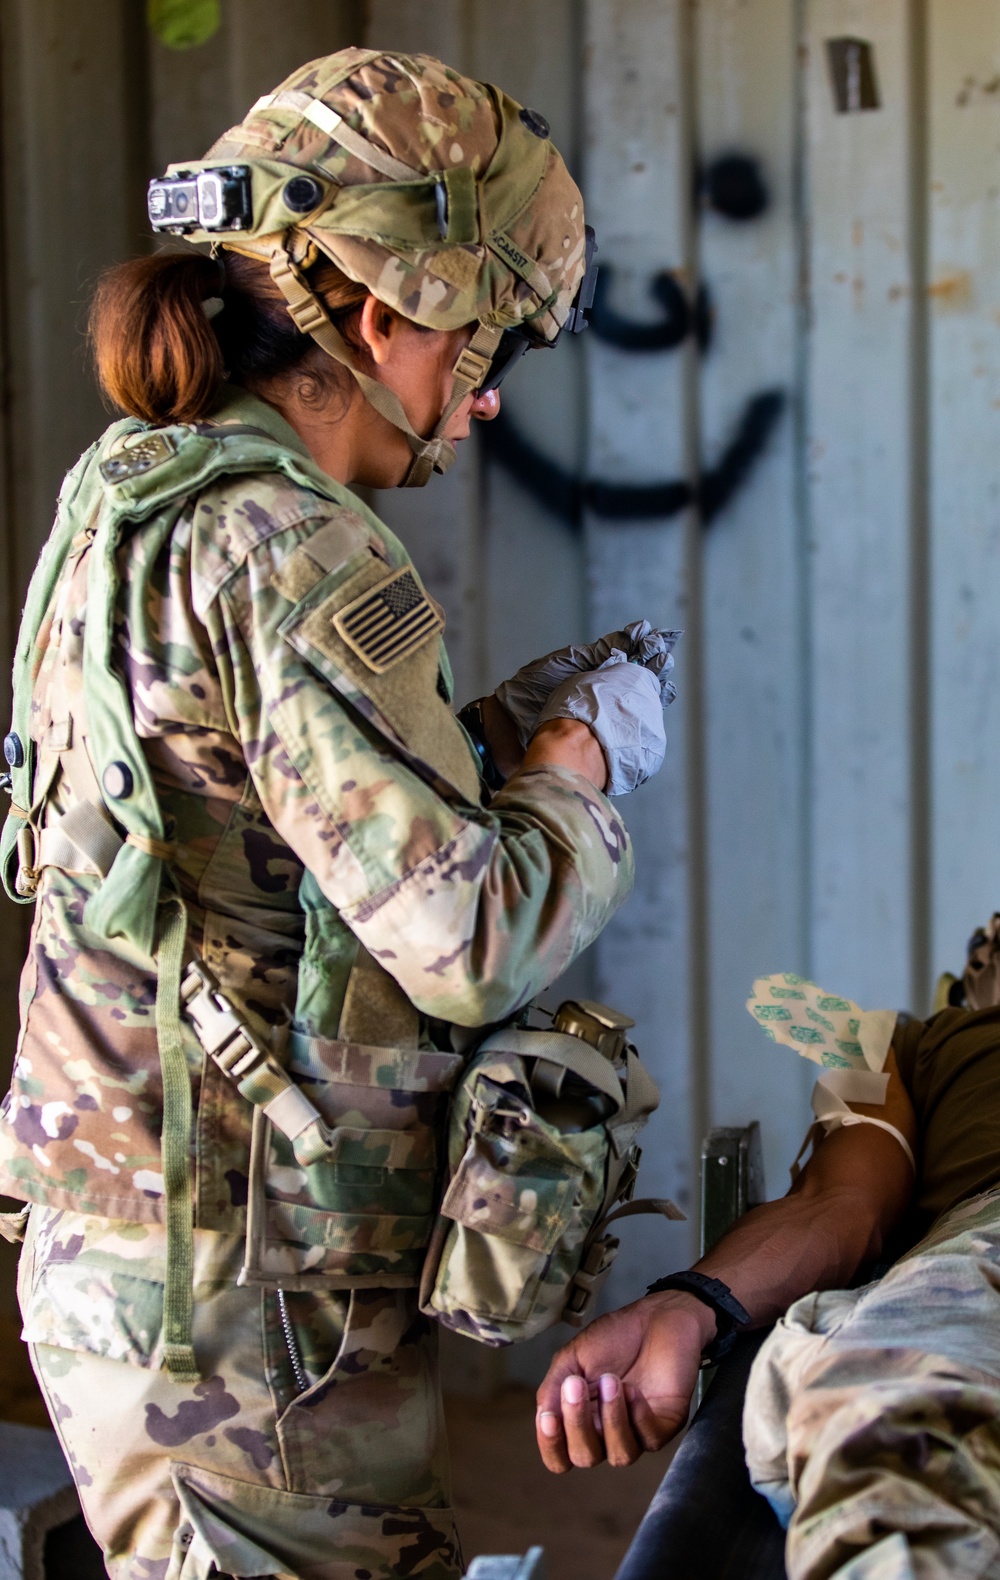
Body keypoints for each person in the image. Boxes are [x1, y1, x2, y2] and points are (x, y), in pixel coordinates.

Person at [0, 48, 676, 1580]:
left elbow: (252, 825)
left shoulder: (129, 493)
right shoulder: (296, 547)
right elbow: (468, 942)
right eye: (481, 338)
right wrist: (573, 774)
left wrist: (487, 733)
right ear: (388, 317)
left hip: (146, 1274)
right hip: (243, 1331)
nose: (486, 394)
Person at [535, 975, 1000, 1579]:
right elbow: (837, 1206)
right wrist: (686, 1305)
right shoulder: (911, 1049)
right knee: (902, 1428)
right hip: (981, 1261)